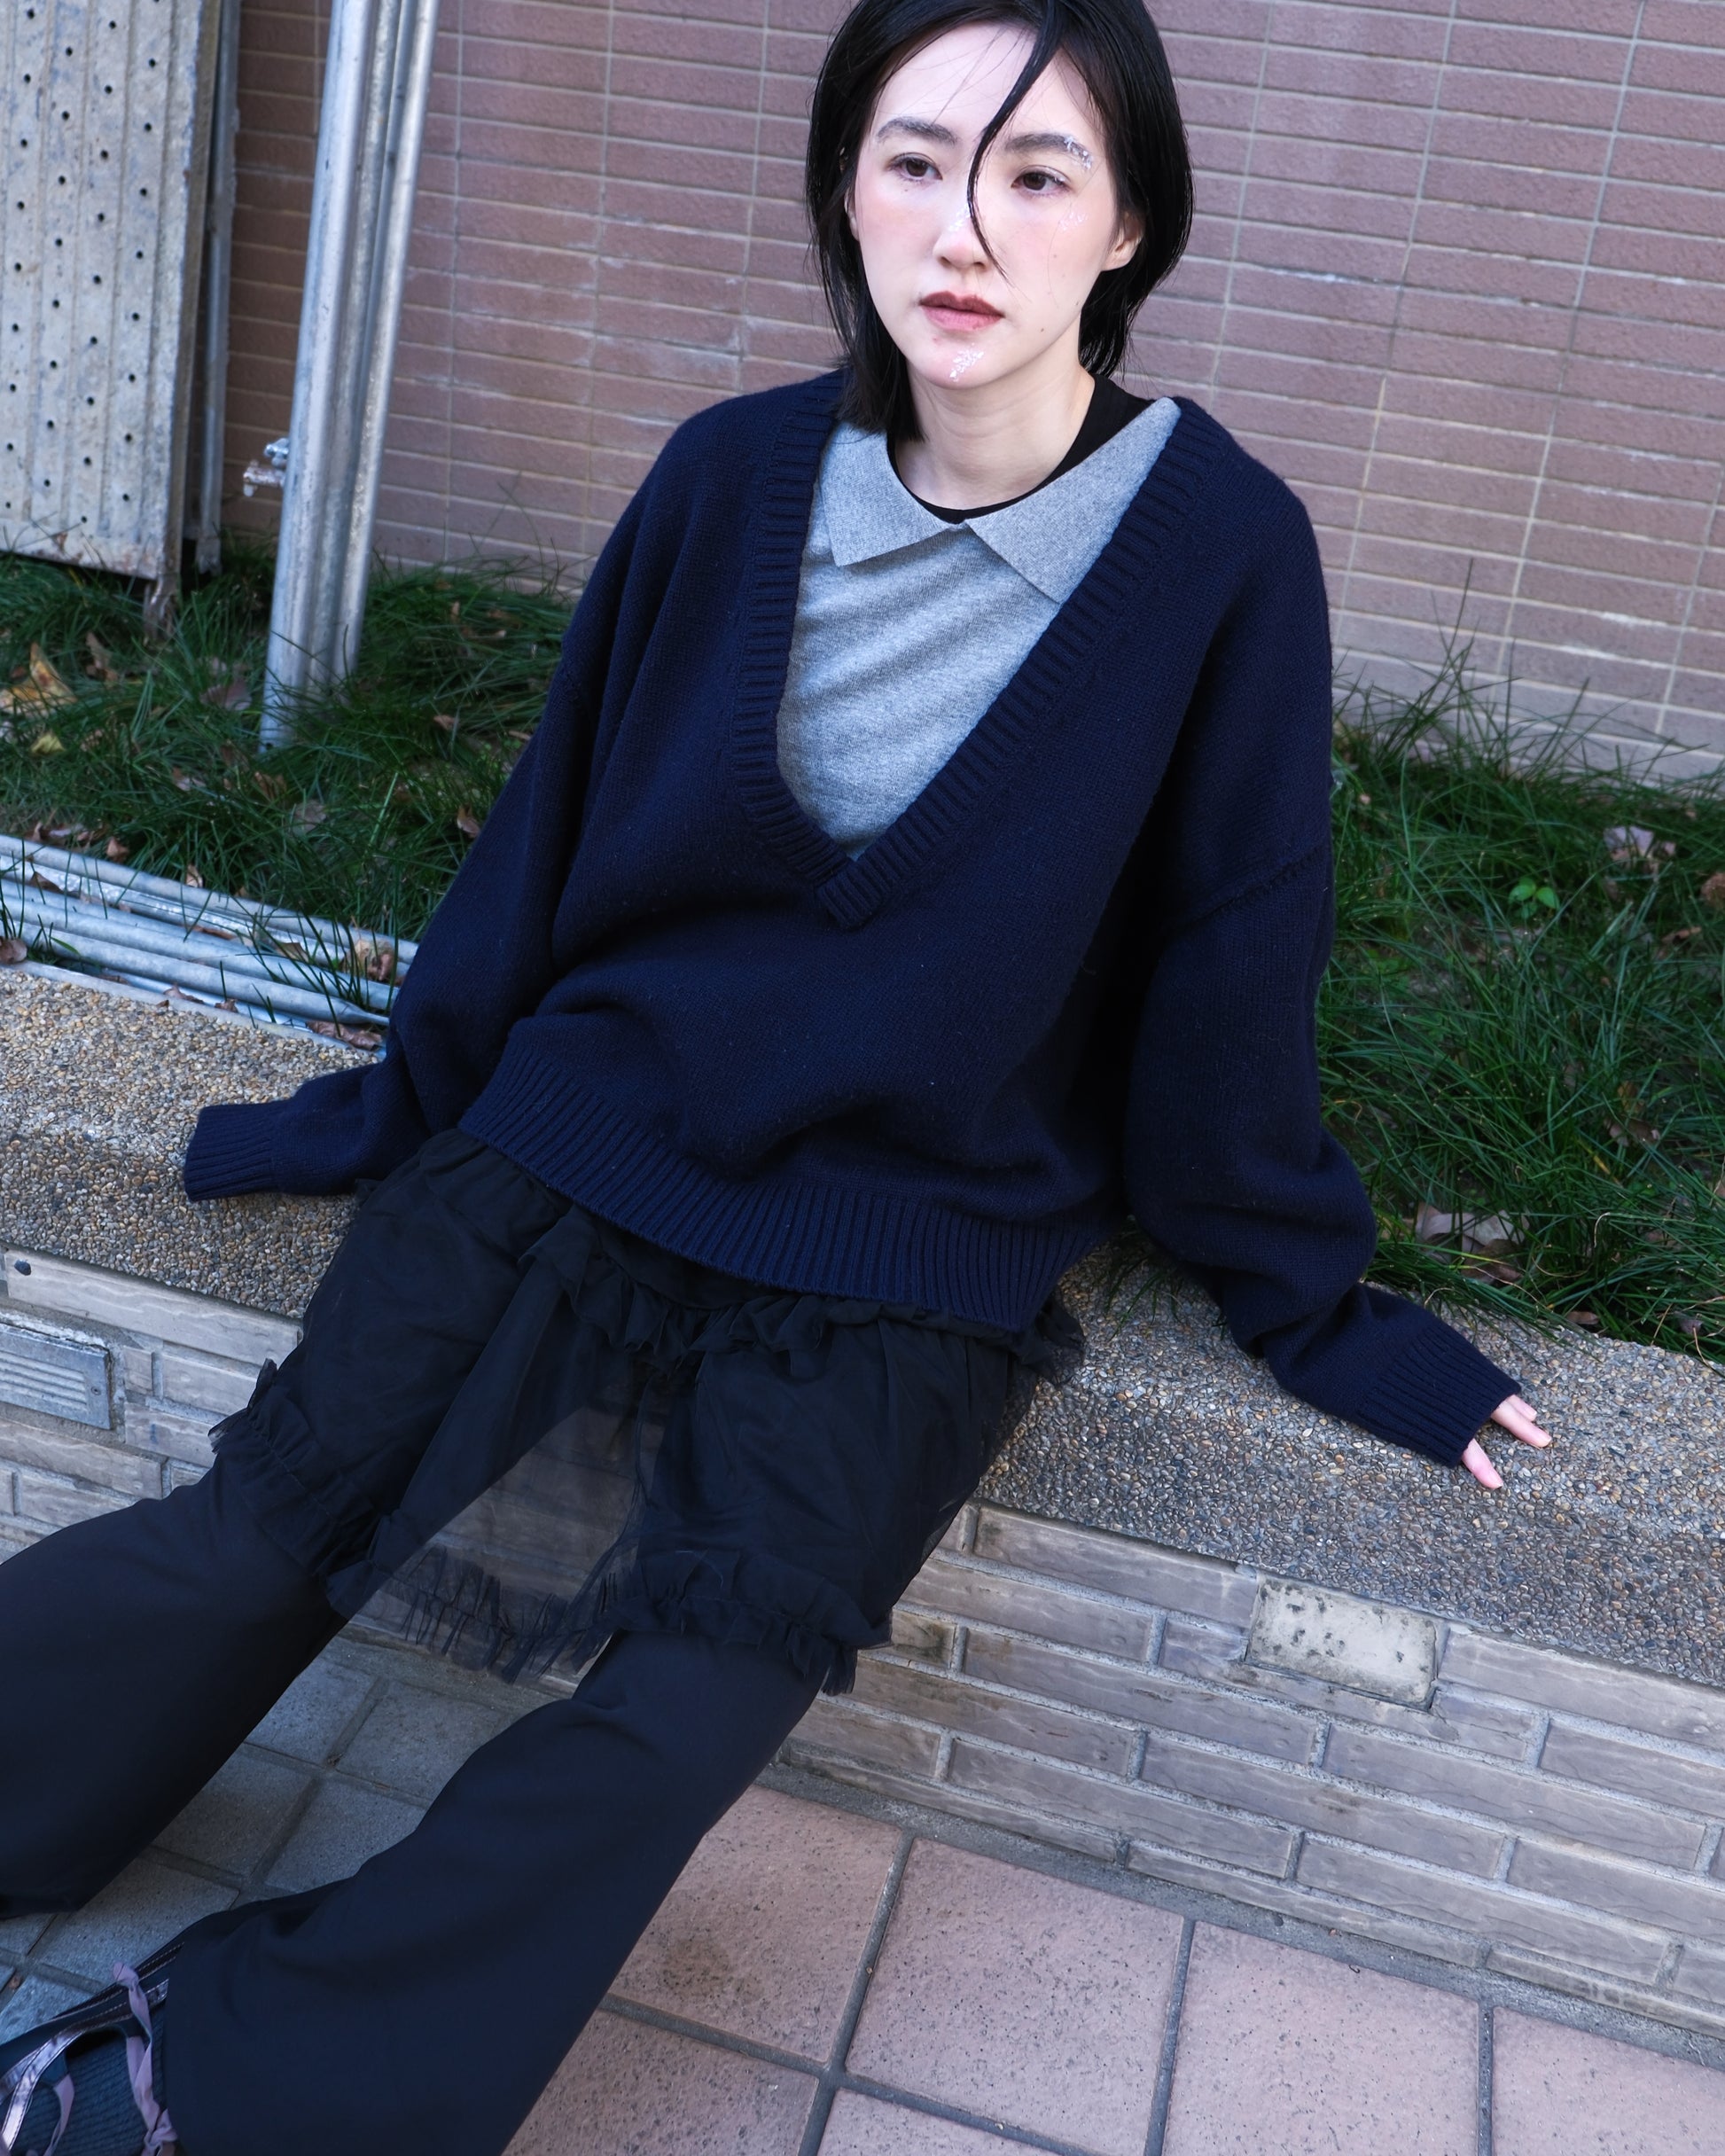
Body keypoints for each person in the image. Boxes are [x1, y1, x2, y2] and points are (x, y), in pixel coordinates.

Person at [0, 0, 1554, 2149]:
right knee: (261, 1531)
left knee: (672, 1721)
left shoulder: (1217, 552)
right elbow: (545, 840)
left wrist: (1314, 1301)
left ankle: (221, 2086)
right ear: (845, 185)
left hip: (908, 1239)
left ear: (1128, 227)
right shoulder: (731, 477)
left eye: (1036, 175)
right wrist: (409, 1089)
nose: (964, 230)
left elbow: (1234, 951)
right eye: (914, 160)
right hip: (589, 1128)